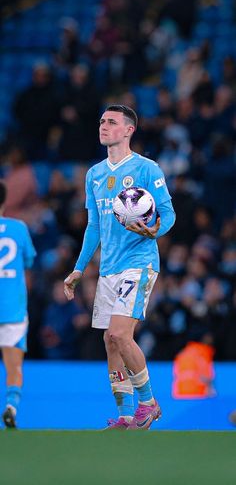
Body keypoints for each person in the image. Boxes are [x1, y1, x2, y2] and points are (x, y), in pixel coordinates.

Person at [64, 104, 176, 430]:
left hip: (139, 263)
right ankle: (126, 415)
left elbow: (168, 214)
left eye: (111, 122)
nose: (103, 126)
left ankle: (149, 402)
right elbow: (93, 228)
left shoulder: (147, 169)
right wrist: (79, 269)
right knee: (110, 342)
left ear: (129, 130)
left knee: (120, 334)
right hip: (108, 269)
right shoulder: (94, 175)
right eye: (101, 121)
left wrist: (156, 229)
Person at [0, 181, 36, 428]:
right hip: (12, 308)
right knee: (14, 366)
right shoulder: (18, 228)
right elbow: (29, 262)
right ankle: (11, 407)